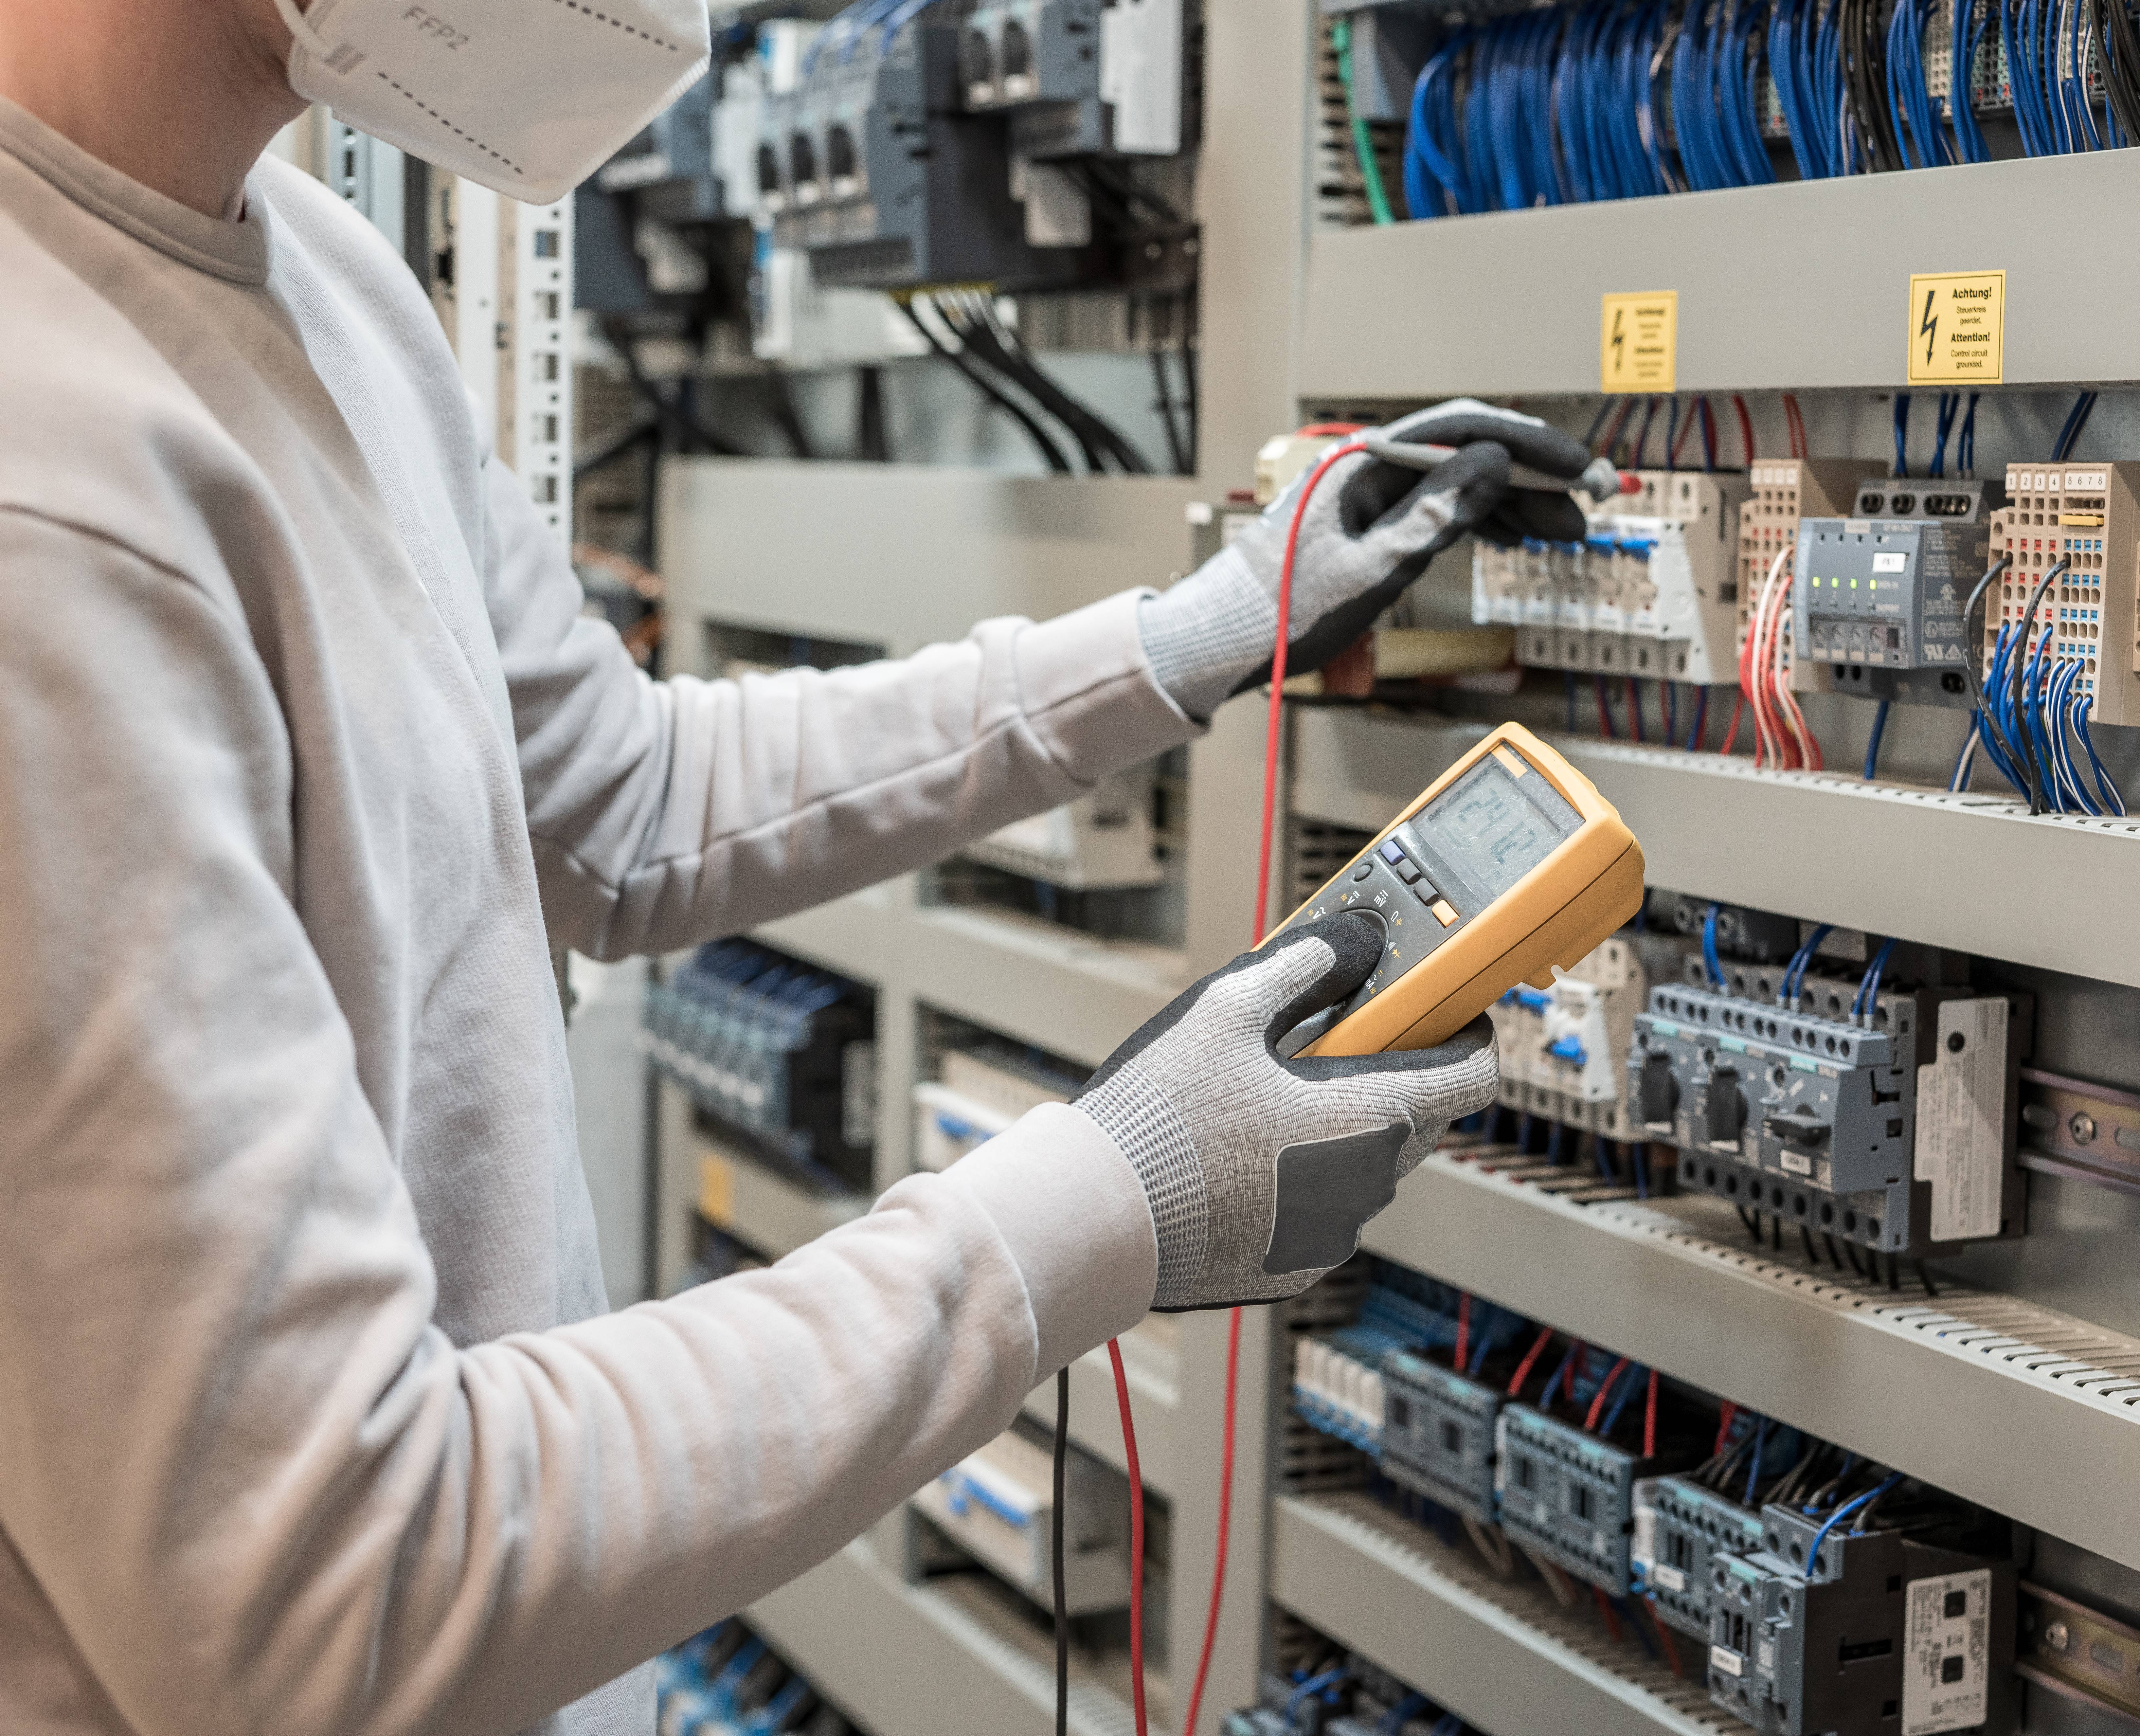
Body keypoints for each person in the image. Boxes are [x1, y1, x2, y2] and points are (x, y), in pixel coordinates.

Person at [0, 4, 1600, 1734]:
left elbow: (627, 803)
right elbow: (329, 1581)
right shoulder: (49, 496)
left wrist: (1201, 633)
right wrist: (1105, 1199)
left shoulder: (317, 268)